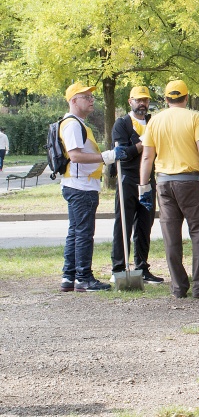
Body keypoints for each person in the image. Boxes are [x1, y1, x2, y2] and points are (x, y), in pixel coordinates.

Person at [138, 80, 199, 299]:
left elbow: (147, 156)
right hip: (190, 182)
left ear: (166, 99)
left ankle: (178, 286)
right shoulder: (195, 118)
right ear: (186, 97)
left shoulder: (155, 121)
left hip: (164, 183)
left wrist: (143, 186)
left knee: (171, 236)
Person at [59, 82, 119, 292]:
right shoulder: (73, 125)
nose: (91, 100)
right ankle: (83, 278)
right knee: (84, 233)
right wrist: (107, 157)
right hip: (81, 186)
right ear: (74, 101)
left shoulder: (75, 123)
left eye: (91, 97)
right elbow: (75, 156)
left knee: (76, 232)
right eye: (86, 97)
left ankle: (69, 277)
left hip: (78, 184)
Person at [109, 85, 164, 284]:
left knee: (145, 224)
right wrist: (144, 144)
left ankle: (142, 267)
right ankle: (118, 268)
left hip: (148, 179)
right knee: (123, 224)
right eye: (138, 100)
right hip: (127, 179)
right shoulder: (122, 124)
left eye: (145, 100)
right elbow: (123, 154)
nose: (142, 104)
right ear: (130, 101)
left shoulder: (153, 122)